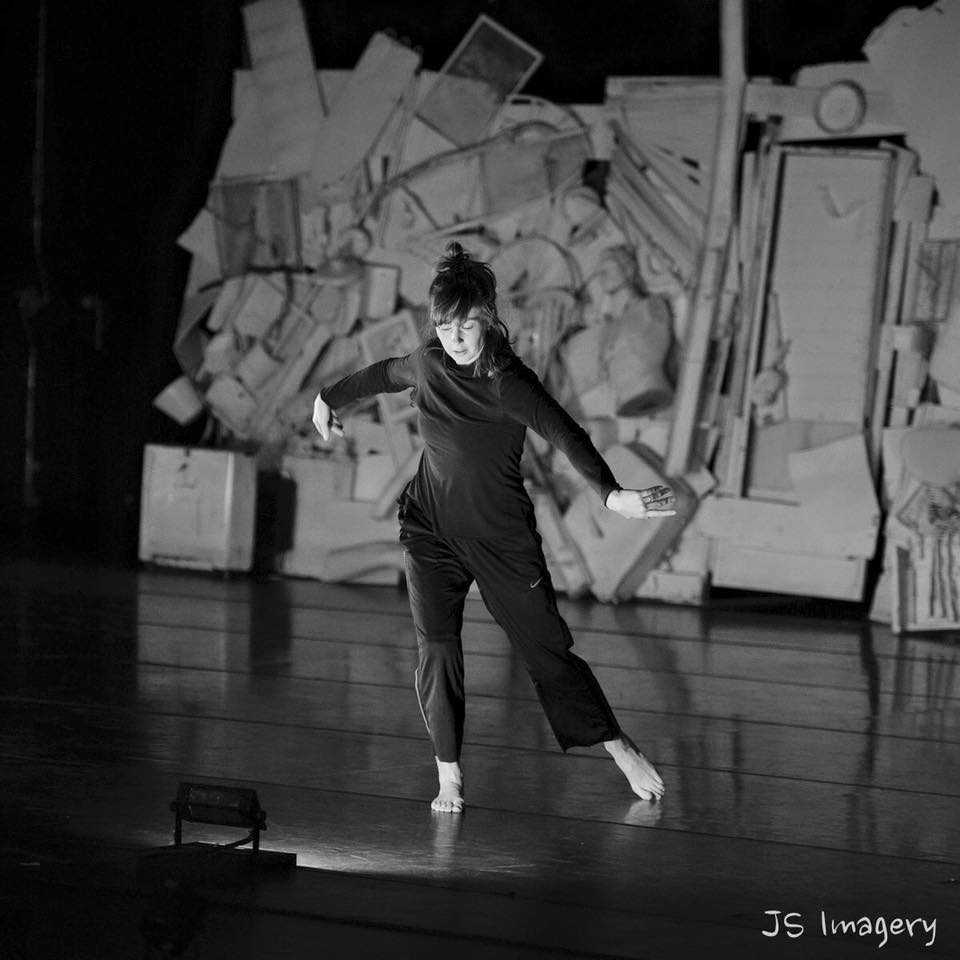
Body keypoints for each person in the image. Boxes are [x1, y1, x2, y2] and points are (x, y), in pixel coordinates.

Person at [313, 242, 675, 814]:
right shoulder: (428, 364)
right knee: (437, 649)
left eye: (466, 325)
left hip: (502, 540)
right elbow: (382, 374)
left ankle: (619, 747)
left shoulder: (509, 382)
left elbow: (566, 433)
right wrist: (327, 398)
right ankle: (449, 776)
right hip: (431, 531)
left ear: (488, 319)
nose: (455, 338)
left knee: (546, 652)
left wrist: (611, 494)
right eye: (445, 326)